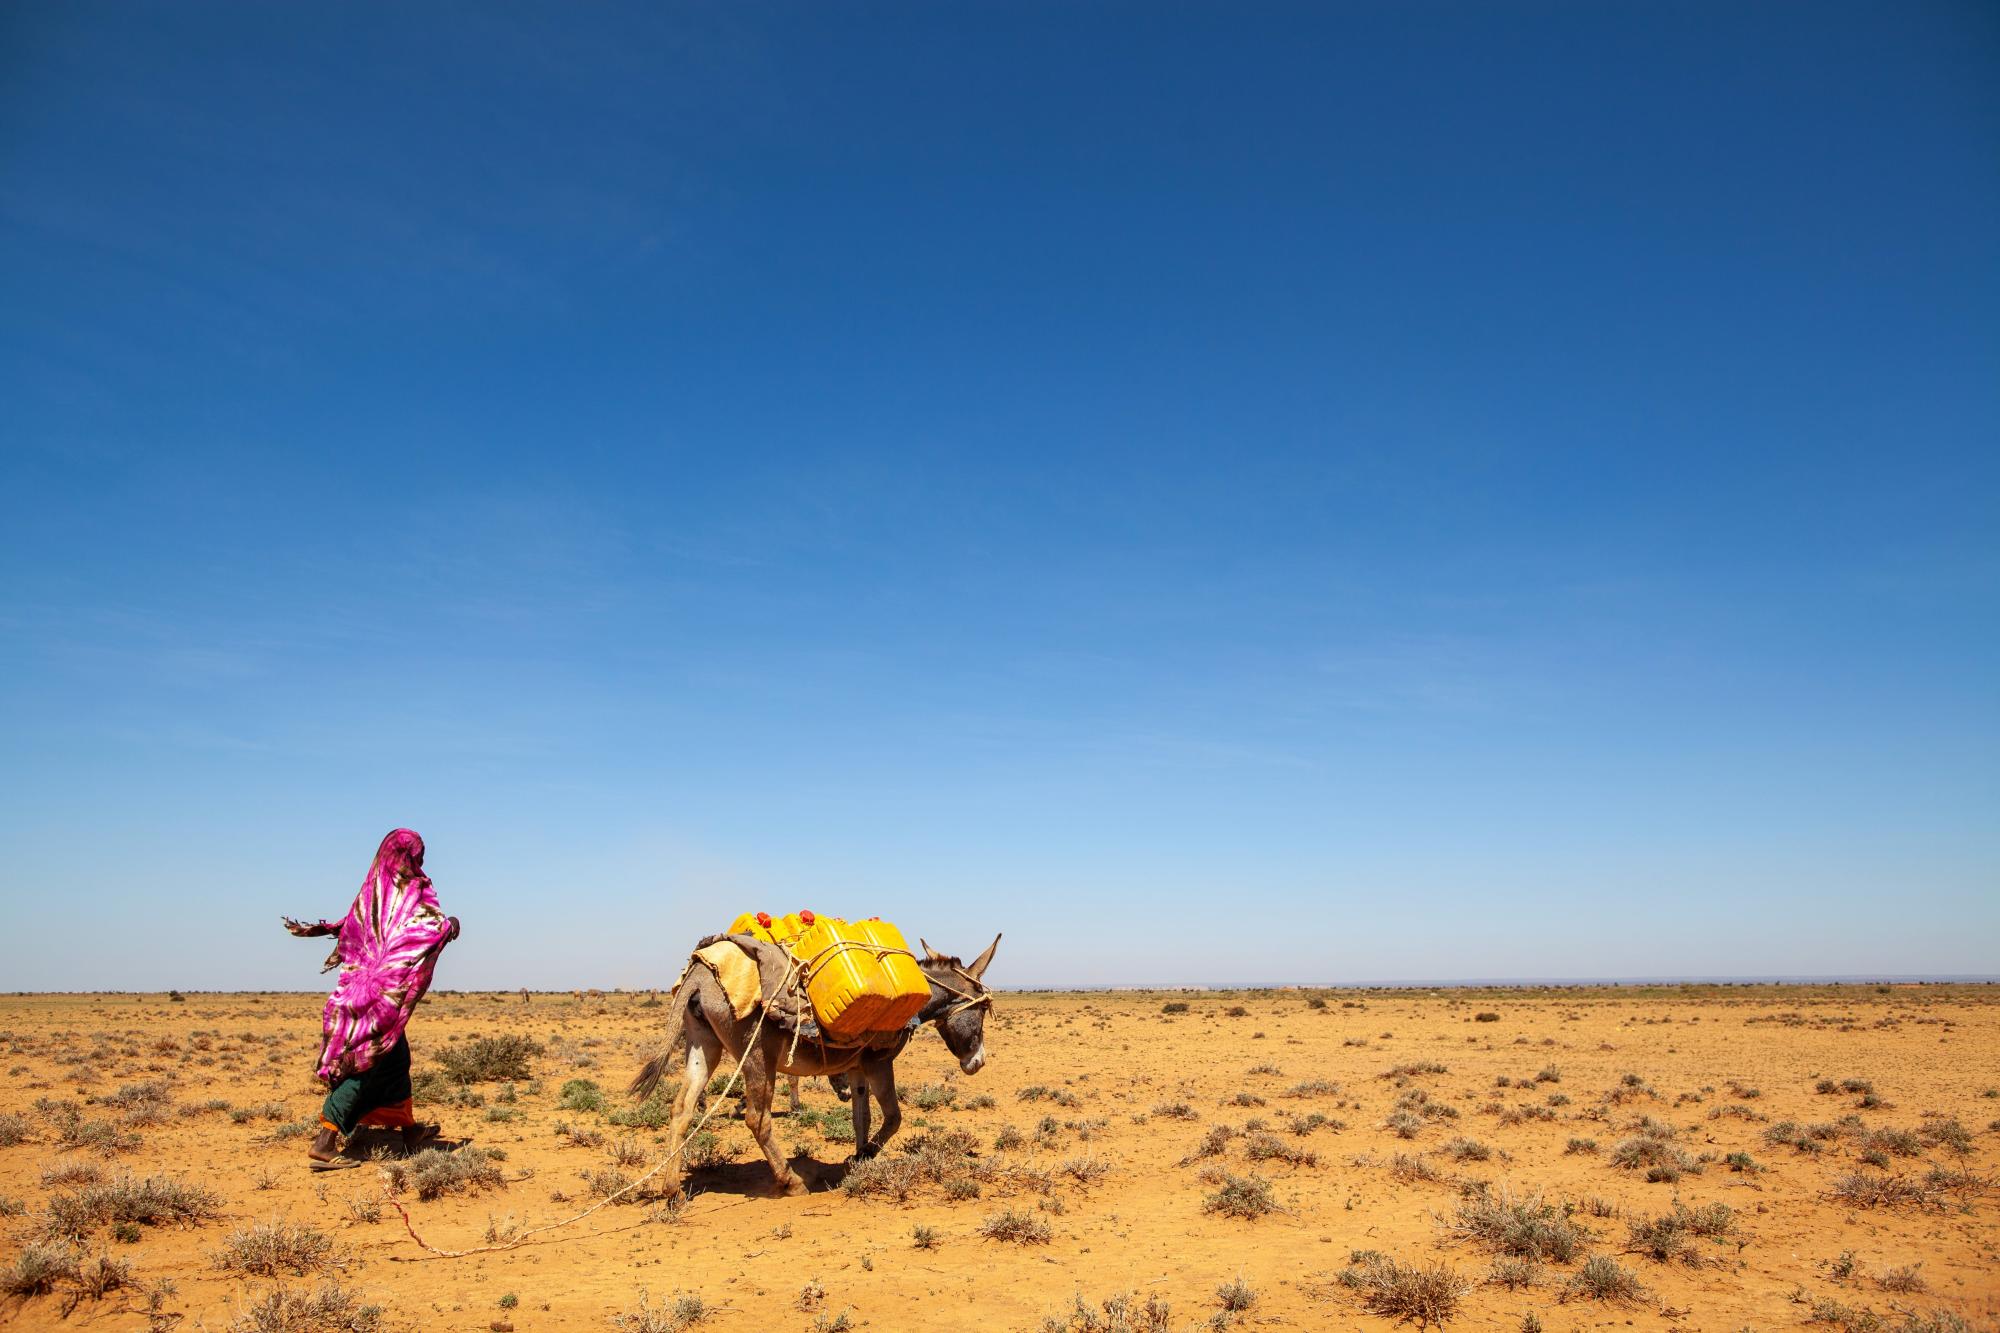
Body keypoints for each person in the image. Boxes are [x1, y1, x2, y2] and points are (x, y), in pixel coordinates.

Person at [283, 828, 460, 1169]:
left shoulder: (372, 893)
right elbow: (422, 932)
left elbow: (354, 928)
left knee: (396, 1059)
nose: (420, 862)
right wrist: (449, 925)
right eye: (417, 855)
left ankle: (409, 1130)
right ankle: (325, 1141)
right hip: (382, 999)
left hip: (358, 993)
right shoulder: (407, 892)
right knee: (366, 1062)